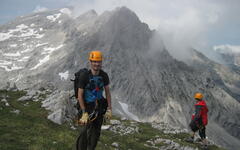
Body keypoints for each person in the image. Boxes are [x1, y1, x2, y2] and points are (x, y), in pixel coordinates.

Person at [76, 50, 112, 150]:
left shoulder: (104, 75)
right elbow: (80, 94)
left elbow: (108, 92)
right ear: (90, 62)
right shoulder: (84, 76)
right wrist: (83, 112)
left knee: (95, 133)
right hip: (86, 106)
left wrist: (109, 109)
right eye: (94, 61)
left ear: (101, 62)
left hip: (99, 107)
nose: (97, 64)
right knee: (83, 132)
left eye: (99, 61)